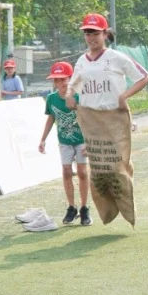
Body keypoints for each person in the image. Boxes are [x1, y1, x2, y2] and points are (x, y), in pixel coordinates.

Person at [66, 13, 148, 226]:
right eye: (87, 33)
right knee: (99, 171)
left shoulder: (116, 57)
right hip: (91, 122)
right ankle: (107, 210)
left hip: (114, 118)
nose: (91, 37)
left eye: (95, 33)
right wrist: (69, 96)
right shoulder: (81, 62)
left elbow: (144, 77)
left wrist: (124, 96)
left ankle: (126, 207)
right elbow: (73, 85)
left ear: (104, 34)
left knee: (117, 167)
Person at [39, 62, 91, 226]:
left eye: (64, 79)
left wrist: (89, 141)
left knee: (82, 172)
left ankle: (84, 209)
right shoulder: (52, 99)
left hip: (81, 141)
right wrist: (43, 139)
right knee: (67, 172)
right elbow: (51, 118)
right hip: (64, 142)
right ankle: (71, 207)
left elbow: (88, 119)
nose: (60, 83)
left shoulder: (79, 96)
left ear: (71, 79)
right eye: (56, 80)